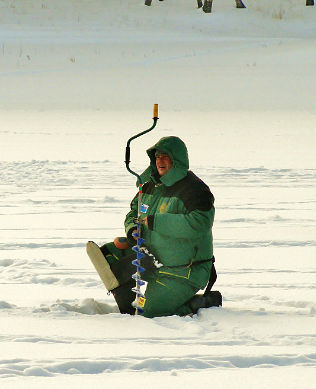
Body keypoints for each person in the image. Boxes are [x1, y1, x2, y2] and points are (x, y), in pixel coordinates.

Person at [87, 136, 222, 317]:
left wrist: (155, 222)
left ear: (177, 159)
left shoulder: (195, 190)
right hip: (152, 258)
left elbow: (200, 223)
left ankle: (203, 302)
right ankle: (129, 308)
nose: (160, 161)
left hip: (185, 270)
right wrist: (131, 229)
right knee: (109, 256)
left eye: (166, 156)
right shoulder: (151, 185)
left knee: (151, 312)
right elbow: (134, 211)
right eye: (157, 156)